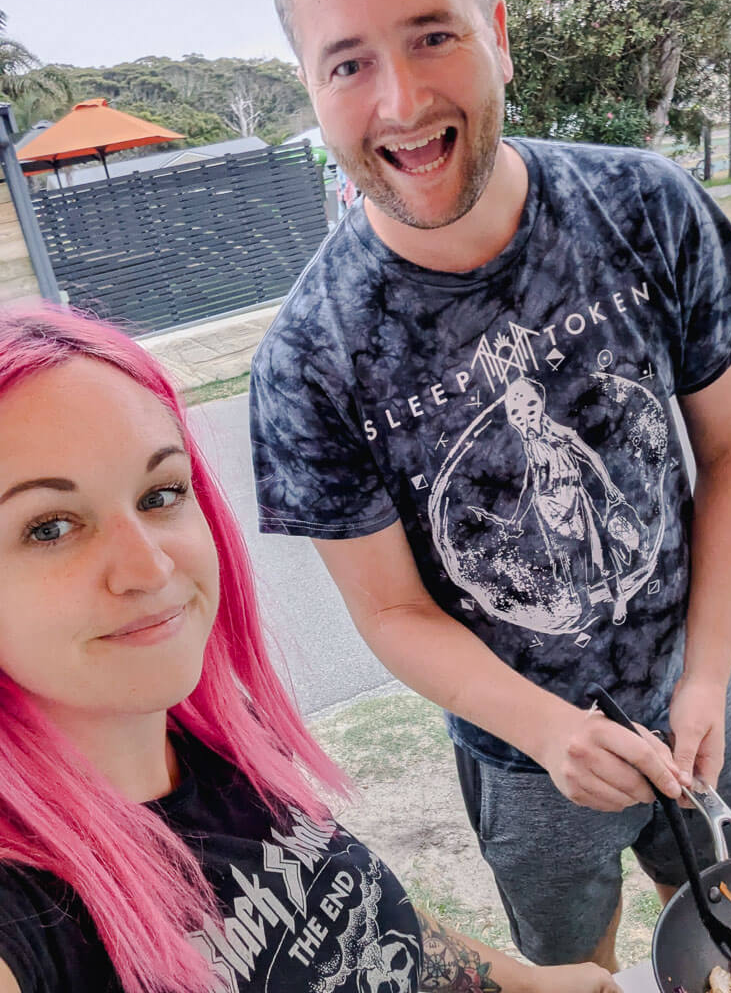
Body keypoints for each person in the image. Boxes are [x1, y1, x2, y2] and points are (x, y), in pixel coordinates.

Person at [249, 0, 731, 972]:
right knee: (576, 966)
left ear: (496, 29)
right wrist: (546, 730)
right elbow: (389, 609)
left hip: (702, 685)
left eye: (431, 34)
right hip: (517, 756)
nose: (400, 99)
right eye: (347, 63)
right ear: (308, 87)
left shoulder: (645, 205)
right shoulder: (305, 360)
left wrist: (702, 672)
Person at [0, 304, 619, 993]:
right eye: (49, 527)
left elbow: (352, 919)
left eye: (160, 493)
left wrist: (534, 985)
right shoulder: (24, 919)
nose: (149, 568)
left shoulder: (221, 742)